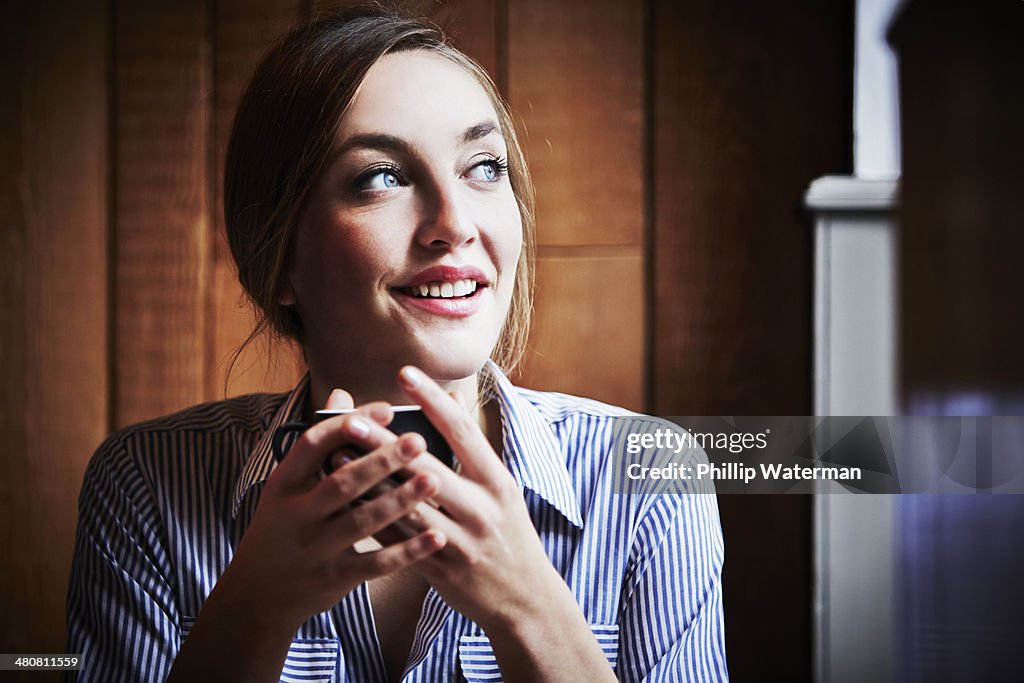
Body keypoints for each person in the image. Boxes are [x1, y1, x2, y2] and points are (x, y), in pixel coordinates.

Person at [65, 6, 727, 682]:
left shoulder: (653, 479)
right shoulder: (145, 483)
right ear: (281, 257)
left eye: (484, 166)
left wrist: (531, 610)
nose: (454, 223)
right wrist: (255, 607)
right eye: (381, 176)